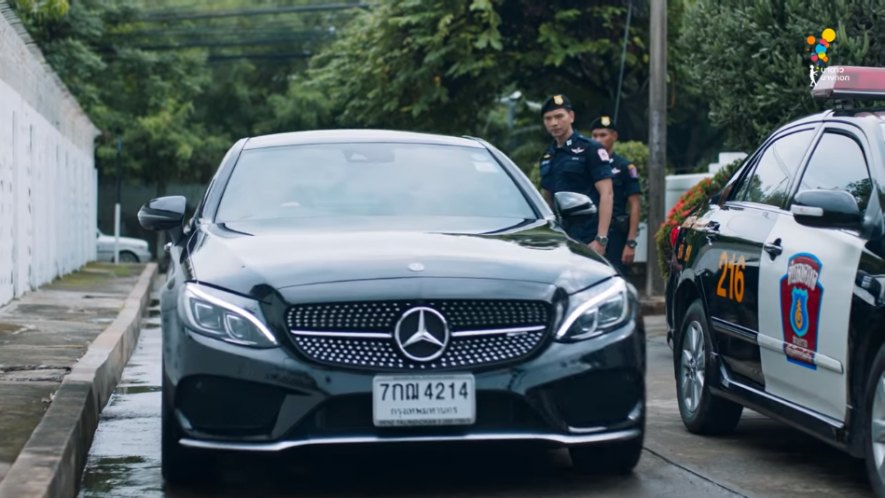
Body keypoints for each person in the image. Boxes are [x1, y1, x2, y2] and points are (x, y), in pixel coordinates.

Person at [538, 94, 614, 255]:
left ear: (571, 116)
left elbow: (607, 193)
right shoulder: (547, 155)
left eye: (559, 116)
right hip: (561, 237)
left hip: (588, 235)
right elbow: (547, 198)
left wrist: (601, 239)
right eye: (548, 118)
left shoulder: (590, 148)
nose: (554, 123)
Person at [590, 115, 641, 275]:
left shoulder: (625, 167)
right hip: (590, 231)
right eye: (595, 135)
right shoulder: (587, 164)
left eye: (603, 135)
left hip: (616, 235)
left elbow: (635, 204)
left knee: (617, 278)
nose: (598, 140)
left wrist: (630, 243)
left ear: (614, 136)